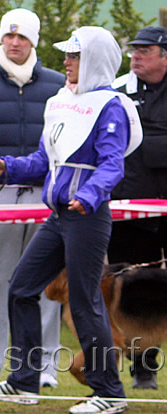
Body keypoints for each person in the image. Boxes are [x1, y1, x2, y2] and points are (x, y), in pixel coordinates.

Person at [0, 26, 142, 414]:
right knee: (21, 287)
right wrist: (6, 168)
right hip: (59, 215)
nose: (66, 61)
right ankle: (24, 382)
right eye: (67, 55)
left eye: (75, 56)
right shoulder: (60, 101)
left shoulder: (111, 106)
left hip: (87, 217)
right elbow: (43, 162)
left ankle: (109, 392)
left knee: (85, 302)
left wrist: (88, 196)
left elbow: (111, 165)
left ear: (95, 62)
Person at [0, 8, 65, 389]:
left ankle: (44, 366)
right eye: (9, 36)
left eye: (22, 37)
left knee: (46, 281)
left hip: (44, 195)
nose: (15, 43)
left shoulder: (57, 85)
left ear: (33, 41)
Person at [109, 26, 167, 390]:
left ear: (164, 55)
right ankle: (142, 366)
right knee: (131, 287)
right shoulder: (117, 91)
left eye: (145, 50)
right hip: (129, 208)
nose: (136, 56)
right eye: (134, 50)